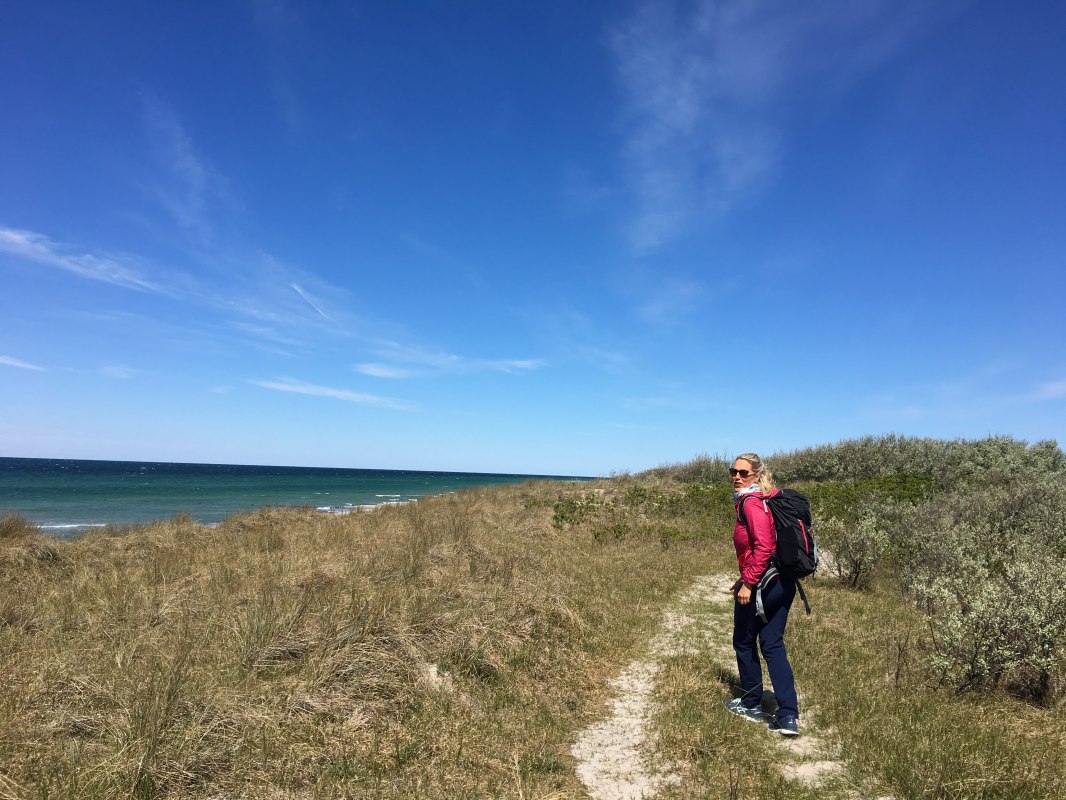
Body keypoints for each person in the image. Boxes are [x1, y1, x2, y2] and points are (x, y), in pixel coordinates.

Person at [724, 452, 800, 736]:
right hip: (782, 582)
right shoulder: (766, 500)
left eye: (743, 473)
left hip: (763, 584)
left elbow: (764, 547)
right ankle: (788, 716)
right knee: (772, 643)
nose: (737, 477)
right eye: (733, 471)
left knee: (743, 642)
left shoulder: (751, 503)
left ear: (756, 475)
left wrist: (748, 583)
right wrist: (743, 578)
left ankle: (751, 703)